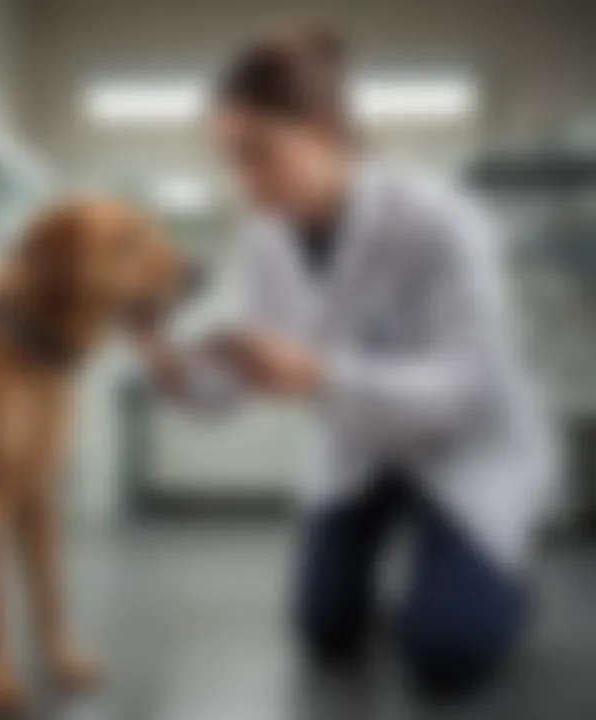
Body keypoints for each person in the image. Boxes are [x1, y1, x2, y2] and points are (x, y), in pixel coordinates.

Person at [132, 23, 554, 700]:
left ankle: (495, 578)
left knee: (446, 653)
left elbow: (468, 387)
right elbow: (238, 384)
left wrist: (320, 373)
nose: (246, 184)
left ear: (325, 130)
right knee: (325, 631)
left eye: (259, 155)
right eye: (231, 162)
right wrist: (169, 361)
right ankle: (433, 583)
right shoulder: (269, 235)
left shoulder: (441, 220)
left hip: (468, 450)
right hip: (363, 451)